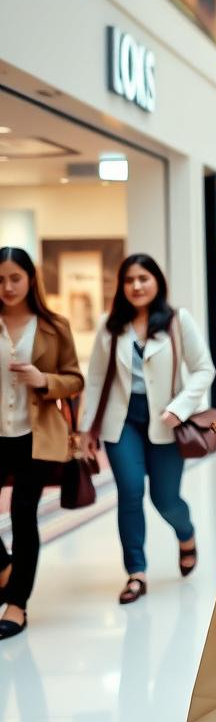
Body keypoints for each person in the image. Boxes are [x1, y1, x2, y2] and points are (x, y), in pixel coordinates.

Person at [81, 254, 215, 605]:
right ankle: (136, 572)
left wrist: (180, 407)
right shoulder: (110, 325)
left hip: (166, 422)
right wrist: (85, 429)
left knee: (165, 498)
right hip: (121, 422)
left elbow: (204, 369)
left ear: (157, 281)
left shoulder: (176, 321)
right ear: (122, 287)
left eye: (143, 278)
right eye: (129, 280)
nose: (136, 286)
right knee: (129, 493)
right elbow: (95, 380)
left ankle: (186, 534)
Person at [0, 247, 83, 640]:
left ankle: (16, 604)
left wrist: (43, 380)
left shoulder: (53, 325)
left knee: (23, 514)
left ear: (31, 279)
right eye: (0, 279)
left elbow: (75, 379)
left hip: (36, 435)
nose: (7, 287)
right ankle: (4, 567)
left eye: (14, 278)